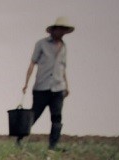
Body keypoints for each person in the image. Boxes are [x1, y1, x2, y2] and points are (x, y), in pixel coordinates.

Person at [19, 17, 74, 149]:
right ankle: (19, 139)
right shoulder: (41, 44)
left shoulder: (64, 47)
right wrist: (26, 83)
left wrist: (66, 85)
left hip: (58, 87)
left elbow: (62, 67)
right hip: (41, 87)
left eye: (64, 30)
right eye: (60, 29)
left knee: (57, 117)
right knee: (34, 115)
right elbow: (32, 63)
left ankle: (53, 146)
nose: (61, 32)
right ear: (53, 30)